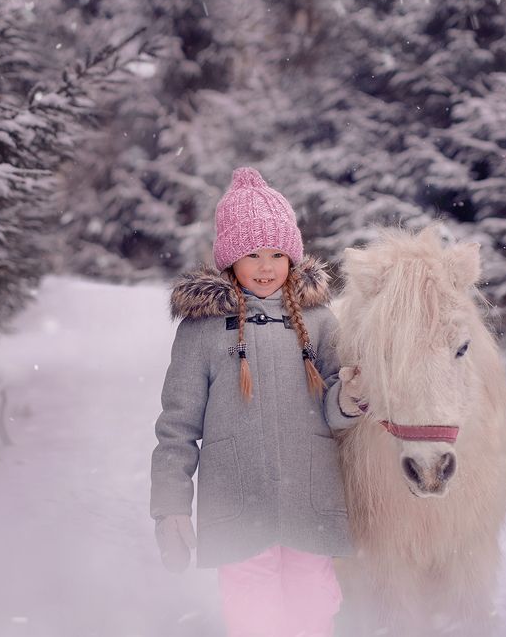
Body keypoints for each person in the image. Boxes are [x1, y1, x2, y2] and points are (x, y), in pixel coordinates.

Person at [150, 167, 365, 637]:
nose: (266, 266)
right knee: (254, 612)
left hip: (310, 495)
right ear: (229, 259)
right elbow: (177, 426)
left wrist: (348, 398)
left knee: (312, 603)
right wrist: (170, 506)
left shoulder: (319, 322)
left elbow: (332, 411)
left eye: (277, 253)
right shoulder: (203, 329)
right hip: (238, 498)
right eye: (252, 254)